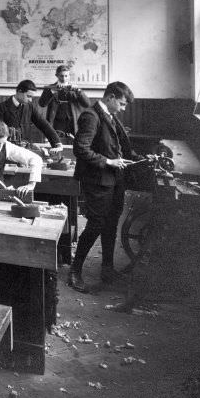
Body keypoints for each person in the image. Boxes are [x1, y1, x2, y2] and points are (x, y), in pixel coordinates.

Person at [68, 81, 140, 292]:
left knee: (111, 223)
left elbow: (119, 148)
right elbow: (80, 149)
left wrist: (140, 158)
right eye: (122, 103)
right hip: (98, 180)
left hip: (115, 179)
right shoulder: (91, 116)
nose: (124, 108)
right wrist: (108, 162)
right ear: (110, 97)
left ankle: (107, 269)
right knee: (96, 224)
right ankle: (75, 270)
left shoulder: (110, 115)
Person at [0, 80, 63, 150]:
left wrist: (57, 143)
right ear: (19, 91)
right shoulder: (1, 107)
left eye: (31, 97)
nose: (30, 100)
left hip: (25, 149)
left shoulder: (29, 106)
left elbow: (43, 124)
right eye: (28, 96)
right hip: (7, 149)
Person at [38, 65, 91, 136]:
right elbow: (42, 104)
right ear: (56, 75)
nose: (64, 78)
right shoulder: (50, 88)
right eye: (61, 76)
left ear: (69, 76)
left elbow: (87, 104)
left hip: (73, 123)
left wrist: (78, 91)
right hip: (56, 123)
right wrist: (51, 92)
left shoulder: (75, 89)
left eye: (66, 76)